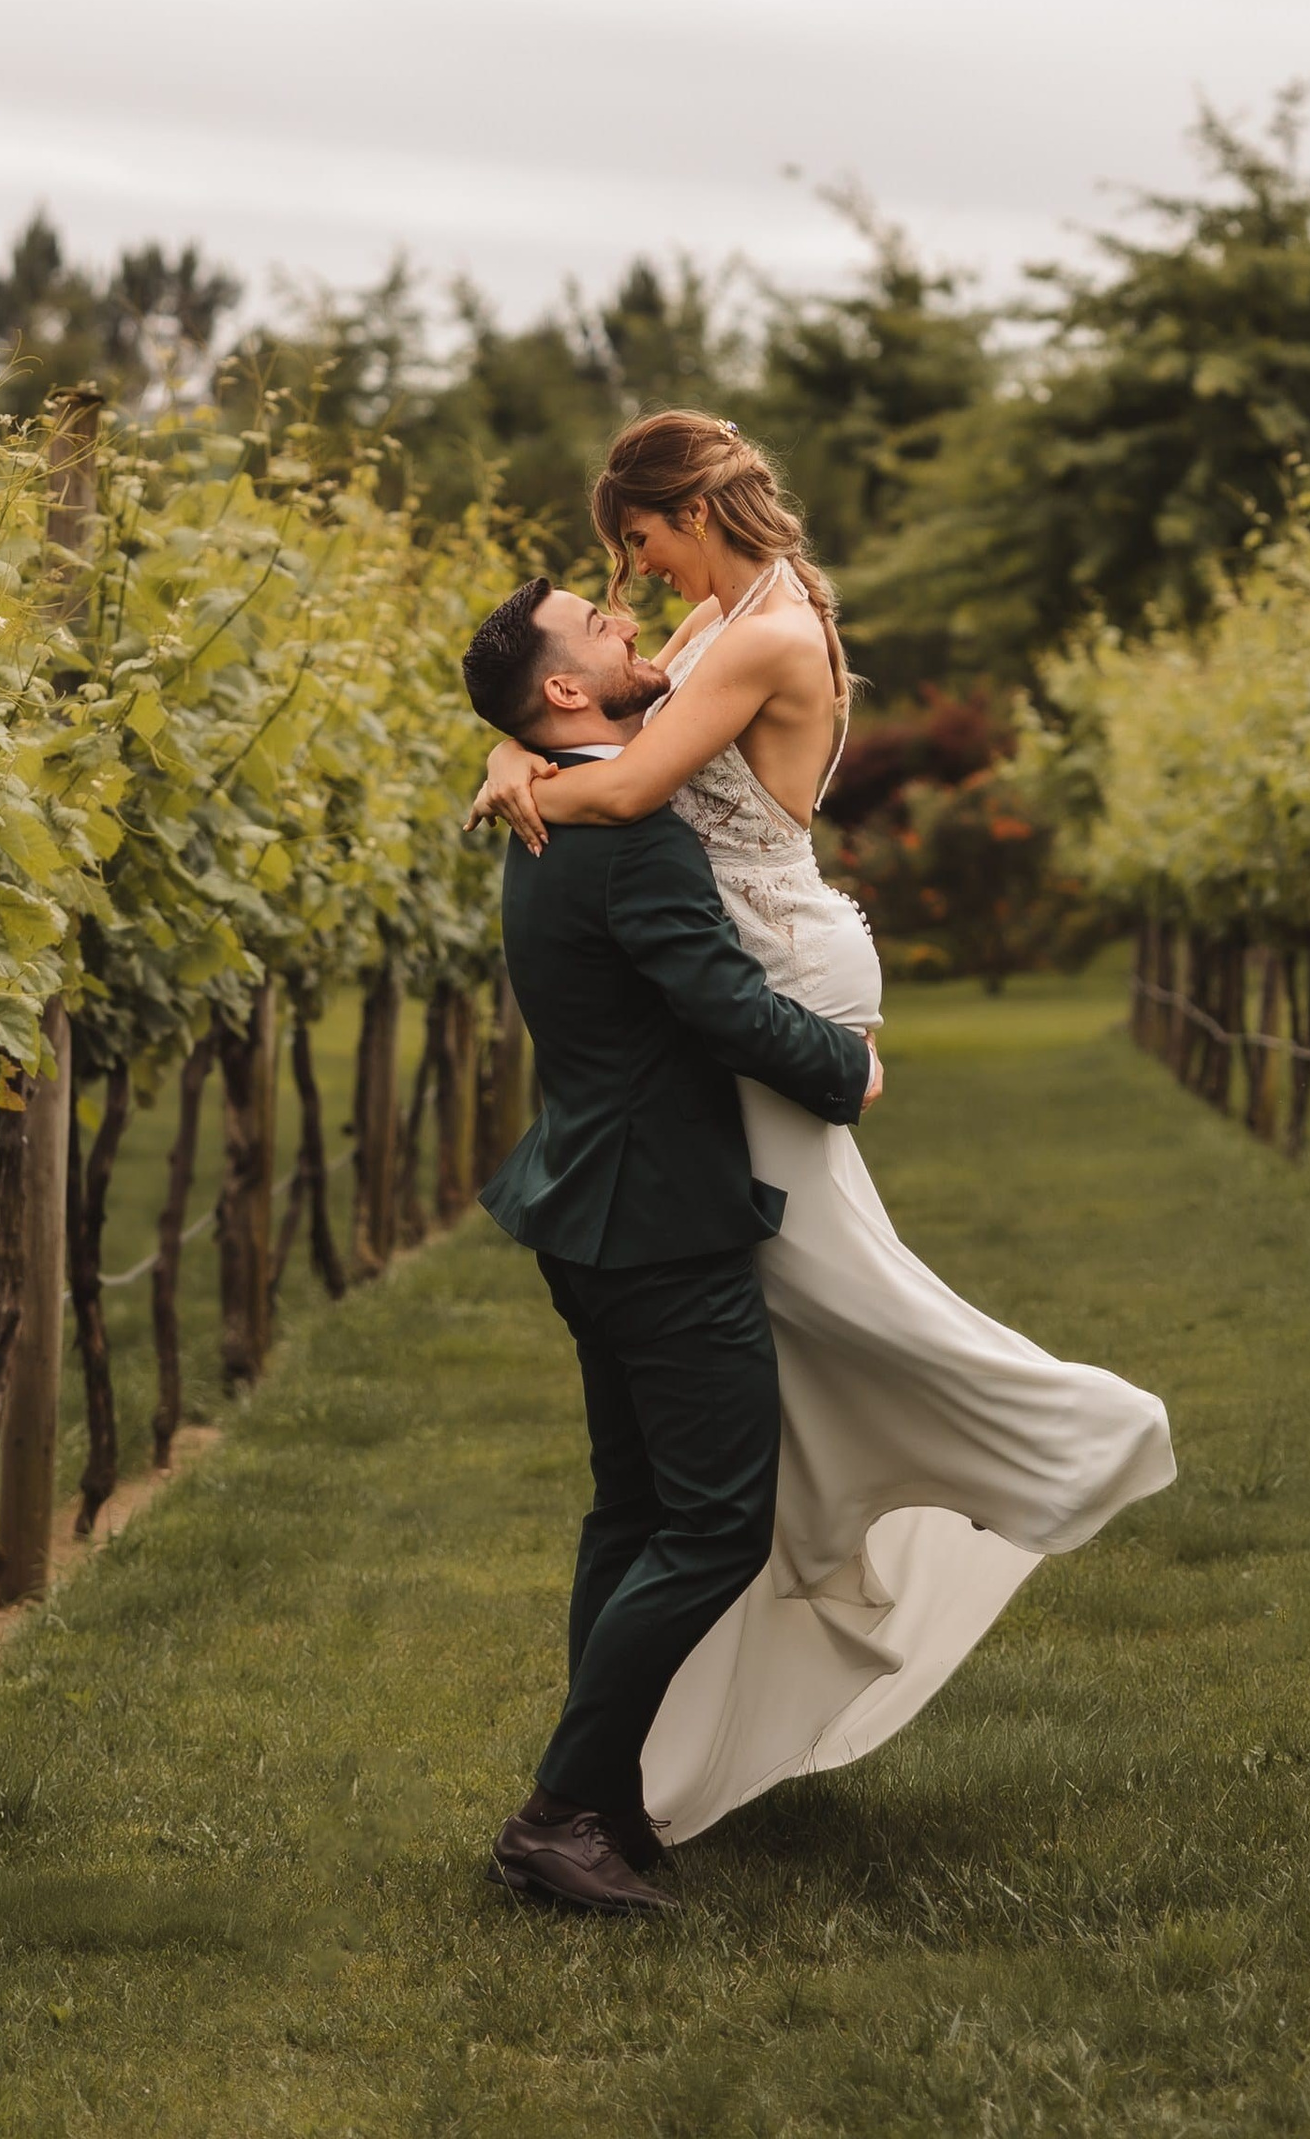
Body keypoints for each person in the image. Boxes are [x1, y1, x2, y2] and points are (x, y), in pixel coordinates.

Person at [468, 410, 1174, 1857]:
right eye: (614, 579)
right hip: (734, 1003)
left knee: (834, 1307)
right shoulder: (732, 611)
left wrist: (519, 771)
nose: (638, 585)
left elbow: (631, 780)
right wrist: (513, 748)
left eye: (643, 546)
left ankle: (1046, 1437)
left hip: (774, 972)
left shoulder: (761, 635)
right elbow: (602, 730)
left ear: (694, 514)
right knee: (780, 1360)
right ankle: (613, 1762)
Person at [463, 568, 879, 1915]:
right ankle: (558, 1813)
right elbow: (716, 1003)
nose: (631, 619)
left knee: (634, 1507)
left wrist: (508, 745)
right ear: (570, 689)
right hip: (654, 1218)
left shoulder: (551, 799)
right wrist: (845, 1068)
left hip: (589, 1203)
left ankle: (608, 1799)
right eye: (601, 621)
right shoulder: (624, 830)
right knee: (710, 1525)